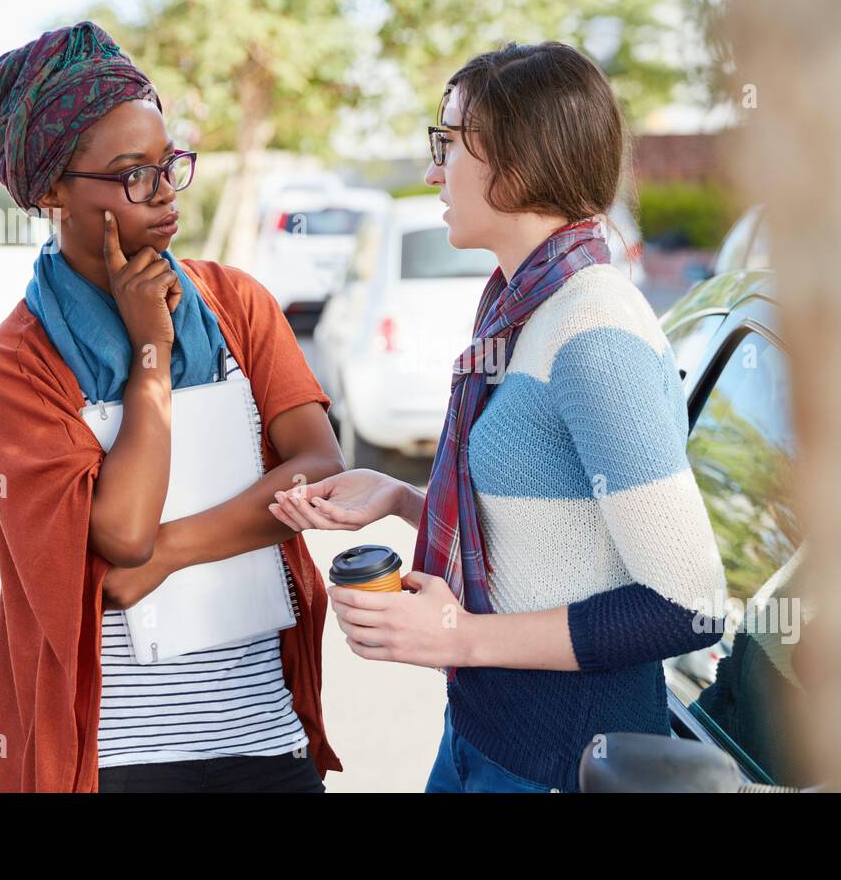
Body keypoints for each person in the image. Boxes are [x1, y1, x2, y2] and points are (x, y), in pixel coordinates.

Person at [270, 41, 729, 793]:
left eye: (446, 145)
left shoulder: (595, 334)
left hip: (566, 764)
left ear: (518, 164)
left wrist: (460, 636)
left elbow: (689, 606)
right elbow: (547, 543)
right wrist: (396, 498)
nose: (431, 170)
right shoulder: (526, 308)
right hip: (483, 739)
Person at [0, 20, 344, 792]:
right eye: (133, 173)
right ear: (50, 192)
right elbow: (120, 535)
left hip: (264, 737)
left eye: (170, 164)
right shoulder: (14, 364)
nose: (166, 193)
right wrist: (150, 357)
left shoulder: (236, 304)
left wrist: (172, 552)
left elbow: (318, 468)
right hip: (117, 760)